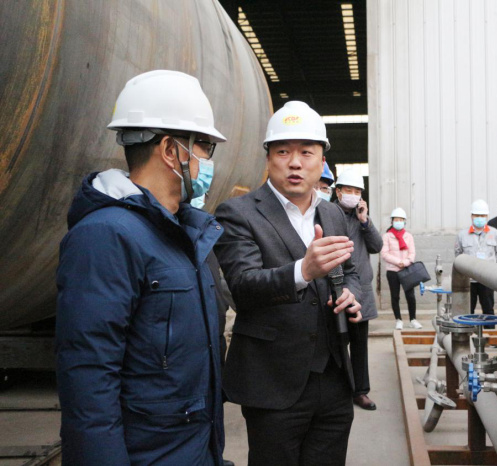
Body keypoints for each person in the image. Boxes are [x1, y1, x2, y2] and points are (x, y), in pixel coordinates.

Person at [55, 70, 227, 465]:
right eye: (203, 146)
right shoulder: (105, 237)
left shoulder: (185, 233)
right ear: (170, 150)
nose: (207, 160)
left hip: (192, 450)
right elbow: (89, 383)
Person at [214, 100, 363, 466]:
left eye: (306, 152)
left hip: (333, 378)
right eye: (283, 152)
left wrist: (351, 293)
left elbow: (351, 271)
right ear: (268, 157)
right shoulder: (239, 213)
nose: (295, 163)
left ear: (322, 160)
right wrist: (303, 271)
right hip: (273, 381)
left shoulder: (333, 213)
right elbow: (242, 286)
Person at [334, 169, 383, 411]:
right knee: (335, 344)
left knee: (359, 344)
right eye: (348, 190)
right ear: (338, 192)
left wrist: (365, 221)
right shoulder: (327, 214)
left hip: (360, 290)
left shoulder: (361, 219)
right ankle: (338, 392)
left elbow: (376, 246)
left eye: (357, 191)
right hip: (334, 289)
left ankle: (360, 392)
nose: (353, 195)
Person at [455, 199, 497, 324]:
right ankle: (468, 333)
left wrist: (489, 265)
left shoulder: (494, 233)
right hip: (468, 280)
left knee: (488, 310)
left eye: (482, 215)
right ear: (472, 216)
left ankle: (490, 333)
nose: (480, 218)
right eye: (477, 215)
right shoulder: (462, 235)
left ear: (487, 216)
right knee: (467, 310)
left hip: (487, 279)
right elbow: (458, 254)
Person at [381, 207, 421, 330]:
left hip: (407, 270)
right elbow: (384, 253)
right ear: (392, 221)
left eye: (401, 220)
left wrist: (406, 262)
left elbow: (412, 253)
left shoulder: (408, 236)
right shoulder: (387, 236)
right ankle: (398, 320)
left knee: (410, 296)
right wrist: (399, 262)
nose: (398, 222)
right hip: (392, 271)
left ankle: (413, 319)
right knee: (395, 296)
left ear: (404, 221)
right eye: (396, 219)